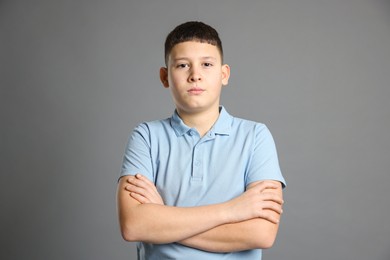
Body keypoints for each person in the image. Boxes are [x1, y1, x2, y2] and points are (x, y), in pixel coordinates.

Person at [117, 21, 286, 259]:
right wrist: (231, 211)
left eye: (207, 64)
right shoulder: (145, 137)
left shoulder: (256, 136)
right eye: (183, 65)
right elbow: (134, 225)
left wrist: (163, 218)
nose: (195, 75)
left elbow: (262, 233)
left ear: (223, 74)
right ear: (165, 77)